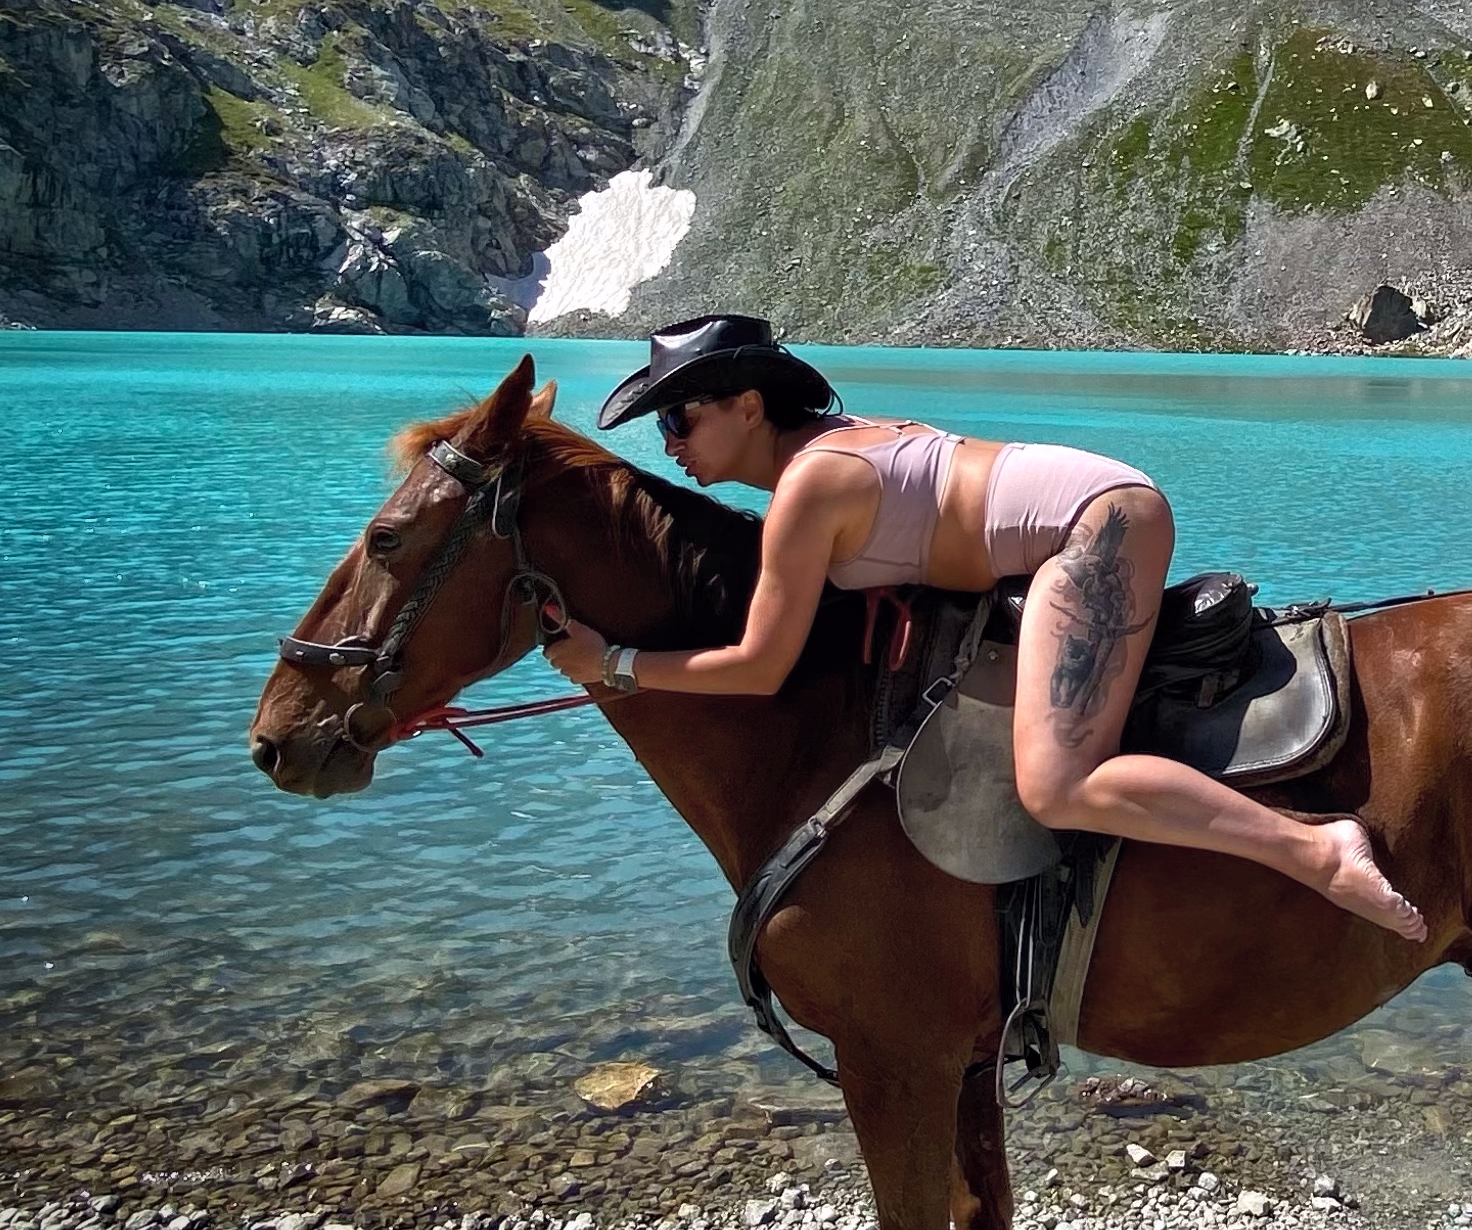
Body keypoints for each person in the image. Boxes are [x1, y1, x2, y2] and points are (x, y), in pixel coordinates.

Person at [541, 315, 1425, 940]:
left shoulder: (810, 485)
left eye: (680, 416)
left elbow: (758, 665)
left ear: (747, 405)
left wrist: (612, 662)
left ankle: (1316, 849)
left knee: (1058, 783)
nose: (668, 443)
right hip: (1086, 508)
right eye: (663, 422)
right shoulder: (823, 452)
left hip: (1098, 523)